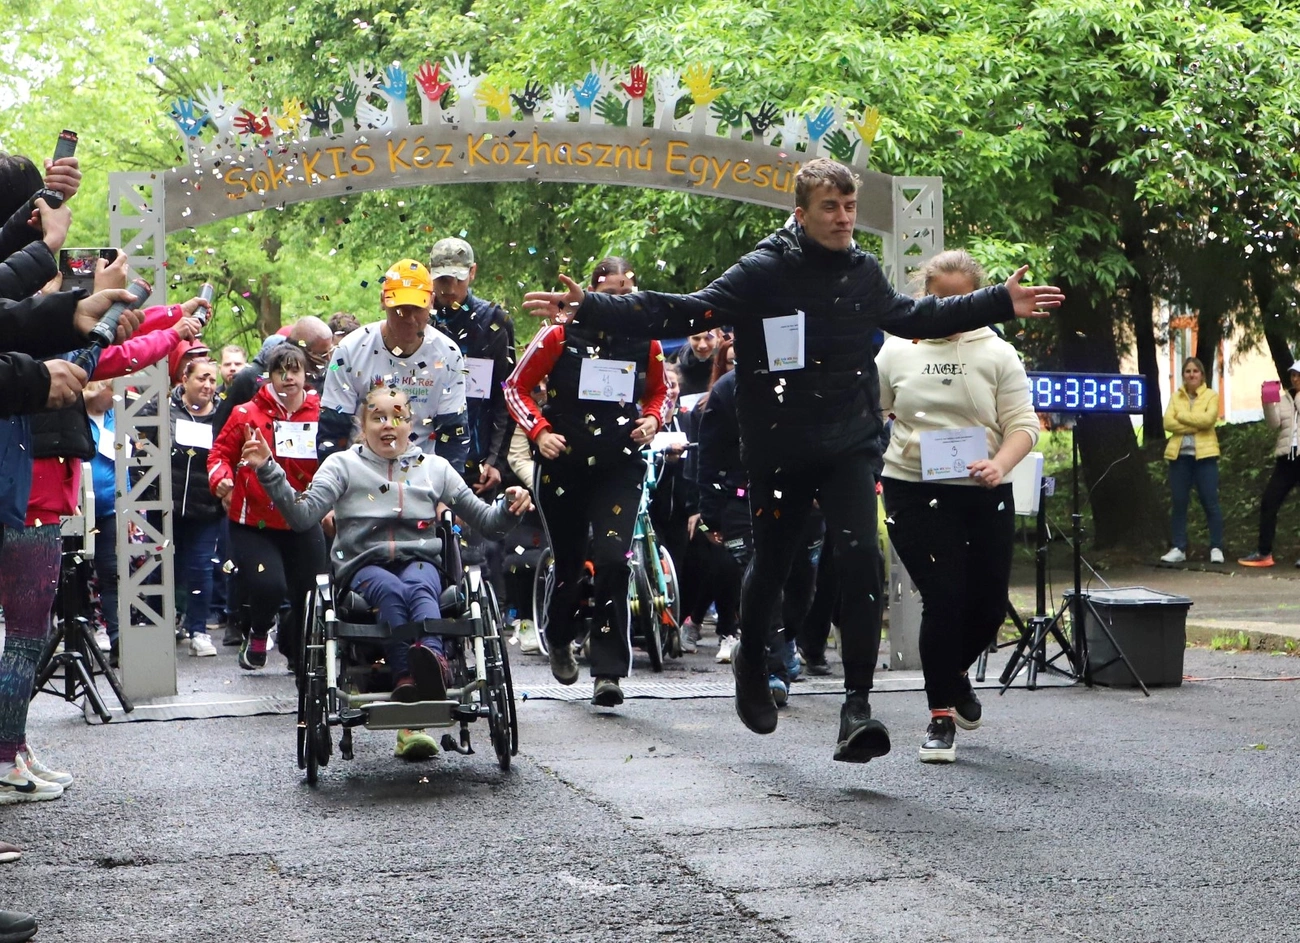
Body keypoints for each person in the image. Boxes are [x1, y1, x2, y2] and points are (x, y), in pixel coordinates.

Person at [524, 158, 1063, 760]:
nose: (844, 218)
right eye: (830, 207)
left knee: (859, 559)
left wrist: (999, 301)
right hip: (780, 446)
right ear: (801, 214)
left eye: (850, 206)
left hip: (850, 444)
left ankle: (856, 706)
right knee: (773, 563)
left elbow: (915, 316)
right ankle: (752, 661)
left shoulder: (861, 272)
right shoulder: (764, 270)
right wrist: (594, 307)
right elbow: (685, 309)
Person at [242, 384, 532, 759]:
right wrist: (269, 469)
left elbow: (488, 522)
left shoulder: (435, 469)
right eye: (377, 417)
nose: (387, 425)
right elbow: (302, 515)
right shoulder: (342, 465)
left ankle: (433, 663)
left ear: (411, 425)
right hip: (364, 565)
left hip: (421, 560)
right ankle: (405, 675)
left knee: (419, 586)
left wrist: (509, 507)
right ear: (363, 426)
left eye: (397, 417)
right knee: (392, 590)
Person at [876, 249, 1041, 763]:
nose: (949, 310)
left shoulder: (998, 353)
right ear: (924, 297)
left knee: (988, 607)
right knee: (944, 597)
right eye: (939, 300)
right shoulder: (895, 350)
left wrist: (999, 464)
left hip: (983, 489)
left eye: (960, 300)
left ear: (979, 299)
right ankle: (940, 715)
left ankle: (952, 674)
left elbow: (1024, 426)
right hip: (912, 487)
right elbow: (872, 411)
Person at [506, 257, 669, 707]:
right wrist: (540, 432)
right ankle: (559, 636)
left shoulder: (647, 341)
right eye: (611, 295)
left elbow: (660, 391)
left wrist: (653, 418)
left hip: (620, 465)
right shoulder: (559, 335)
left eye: (627, 294)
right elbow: (515, 388)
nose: (620, 303)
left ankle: (608, 671)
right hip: (564, 465)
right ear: (592, 293)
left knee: (614, 560)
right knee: (572, 563)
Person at [207, 343, 325, 672]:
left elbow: (335, 460)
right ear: (269, 376)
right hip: (254, 521)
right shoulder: (246, 413)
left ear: (305, 375)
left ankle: (298, 654)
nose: (288, 378)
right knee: (269, 585)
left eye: (295, 371)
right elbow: (219, 454)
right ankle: (258, 631)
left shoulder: (321, 413)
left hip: (302, 516)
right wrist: (222, 481)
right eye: (280, 371)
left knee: (311, 593)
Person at [319, 259, 468, 468]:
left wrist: (447, 486)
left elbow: (454, 434)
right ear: (383, 301)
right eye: (400, 309)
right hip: (360, 470)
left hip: (421, 472)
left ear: (432, 302)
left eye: (417, 308)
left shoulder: (449, 355)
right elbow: (331, 430)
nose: (409, 318)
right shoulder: (349, 350)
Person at [143, 357, 225, 655]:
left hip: (205, 507)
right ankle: (156, 624)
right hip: (165, 505)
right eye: (202, 378)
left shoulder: (222, 414)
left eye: (213, 380)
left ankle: (198, 630)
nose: (208, 385)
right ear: (185, 380)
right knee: (162, 565)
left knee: (201, 566)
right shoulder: (162, 408)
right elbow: (140, 446)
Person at [428, 237, 516, 493]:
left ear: (472, 272)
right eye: (443, 279)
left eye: (458, 278)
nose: (450, 287)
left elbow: (506, 393)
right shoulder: (418, 319)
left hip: (477, 463)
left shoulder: (494, 320)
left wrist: (496, 461)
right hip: (425, 457)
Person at [212, 316, 333, 436]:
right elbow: (221, 433)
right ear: (303, 349)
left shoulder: (323, 379)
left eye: (330, 352)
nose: (328, 358)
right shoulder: (249, 379)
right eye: (322, 354)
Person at [1159, 357, 1224, 565]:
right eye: (1188, 371)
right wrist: (1194, 424)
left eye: (1195, 371)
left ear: (1202, 375)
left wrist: (1182, 416)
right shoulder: (1176, 397)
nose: (1192, 374)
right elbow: (1168, 422)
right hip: (1180, 458)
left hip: (1205, 458)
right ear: (1183, 375)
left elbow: (1208, 420)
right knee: (1179, 503)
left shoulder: (1211, 396)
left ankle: (1216, 547)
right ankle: (1179, 547)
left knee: (1210, 502)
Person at [1239, 363, 1300, 568]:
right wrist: (1267, 402)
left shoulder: (1295, 399)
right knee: (1269, 502)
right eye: (1292, 375)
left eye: (1298, 375)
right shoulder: (1285, 400)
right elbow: (1274, 424)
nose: (1295, 379)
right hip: (1286, 459)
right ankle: (1264, 553)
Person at [673, 329, 719, 395]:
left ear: (718, 337)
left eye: (708, 338)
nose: (702, 345)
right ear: (688, 338)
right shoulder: (676, 364)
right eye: (696, 338)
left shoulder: (728, 362)